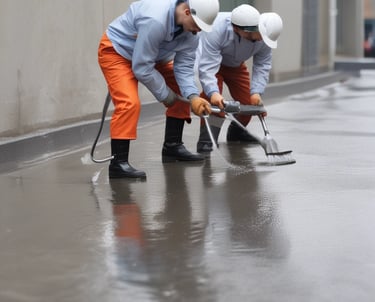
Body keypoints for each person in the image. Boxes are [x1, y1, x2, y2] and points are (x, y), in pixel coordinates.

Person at [98, 0, 219, 179]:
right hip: (118, 52)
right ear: (187, 12)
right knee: (129, 103)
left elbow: (184, 67)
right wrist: (164, 94)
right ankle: (118, 164)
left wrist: (193, 96)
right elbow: (141, 67)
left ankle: (172, 146)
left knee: (179, 85)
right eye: (197, 25)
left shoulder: (191, 32)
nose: (197, 31)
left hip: (153, 55)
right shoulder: (155, 19)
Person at [195, 5, 283, 154]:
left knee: (249, 104)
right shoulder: (217, 28)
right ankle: (206, 141)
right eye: (257, 36)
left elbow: (262, 65)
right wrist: (213, 92)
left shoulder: (265, 36)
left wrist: (256, 92)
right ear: (237, 29)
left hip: (235, 65)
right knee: (215, 102)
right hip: (213, 63)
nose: (261, 40)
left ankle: (236, 133)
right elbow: (208, 67)